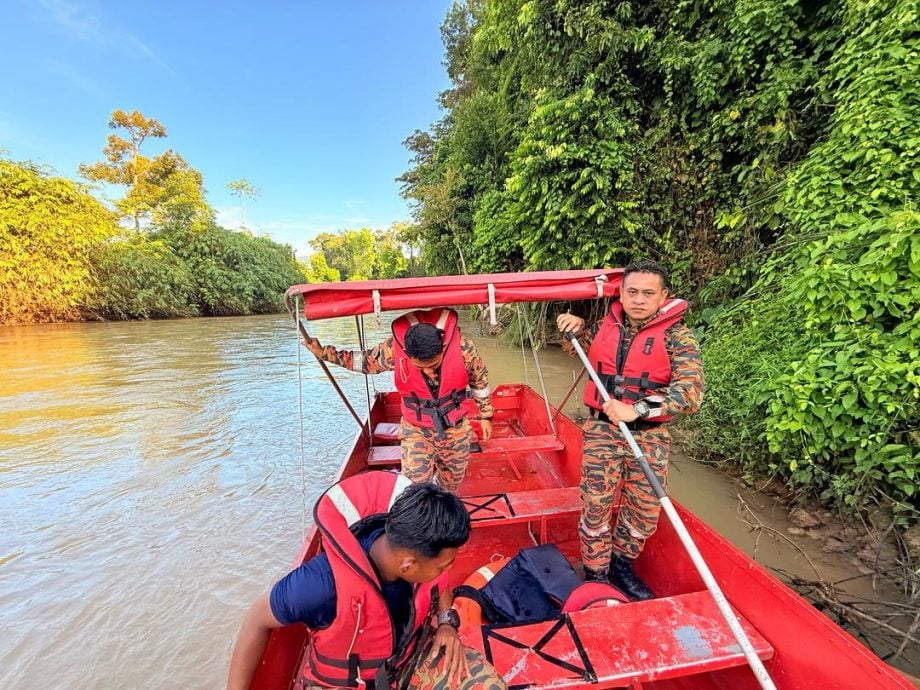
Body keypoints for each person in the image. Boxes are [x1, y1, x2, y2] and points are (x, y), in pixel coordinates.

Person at [227, 472, 506, 690]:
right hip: (344, 684)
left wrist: (446, 622)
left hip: (410, 660)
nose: (447, 571)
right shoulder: (320, 585)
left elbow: (439, 581)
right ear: (408, 565)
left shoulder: (415, 554)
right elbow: (256, 619)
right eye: (444, 565)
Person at [556, 259, 704, 601]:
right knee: (596, 507)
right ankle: (597, 573)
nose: (639, 299)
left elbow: (690, 395)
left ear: (663, 296)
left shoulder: (678, 337)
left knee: (645, 512)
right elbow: (574, 343)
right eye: (632, 292)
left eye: (648, 293)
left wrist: (637, 408)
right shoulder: (605, 326)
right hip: (602, 433)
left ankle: (622, 563)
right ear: (621, 292)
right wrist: (574, 326)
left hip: (648, 436)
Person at [303, 308, 493, 493]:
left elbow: (480, 380)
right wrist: (324, 352)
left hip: (455, 426)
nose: (428, 371)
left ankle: (440, 497)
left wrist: (486, 416)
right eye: (420, 367)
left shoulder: (463, 348)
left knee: (451, 484)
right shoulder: (393, 349)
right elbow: (363, 361)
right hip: (416, 429)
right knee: (414, 486)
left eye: (434, 365)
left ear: (442, 348)